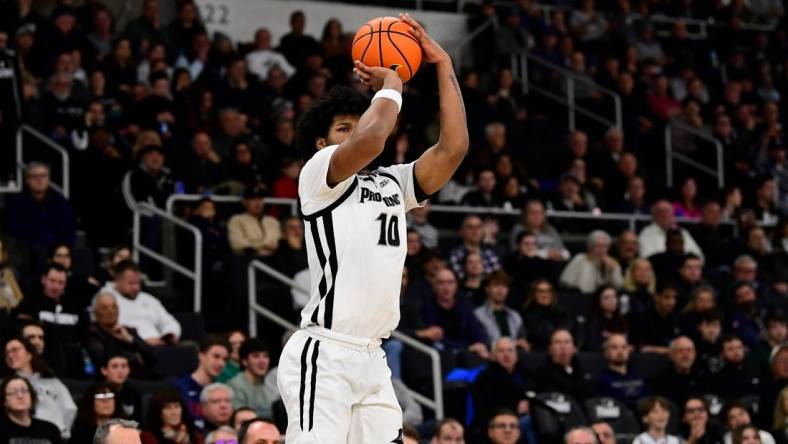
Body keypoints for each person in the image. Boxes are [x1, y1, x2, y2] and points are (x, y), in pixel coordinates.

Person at [4, 337, 77, 439]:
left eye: (15, 350)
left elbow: (69, 408)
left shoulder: (52, 382)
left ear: (29, 354)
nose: (10, 355)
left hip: (55, 435)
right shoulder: (4, 384)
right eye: (7, 352)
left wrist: (64, 430)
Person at [99, 260, 181, 345]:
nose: (136, 287)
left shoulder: (149, 299)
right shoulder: (105, 299)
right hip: (127, 346)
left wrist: (171, 334)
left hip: (159, 345)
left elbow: (168, 321)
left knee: (191, 347)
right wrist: (142, 342)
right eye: (131, 283)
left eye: (138, 283)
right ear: (117, 280)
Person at [471, 338, 536, 443]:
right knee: (531, 421)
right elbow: (484, 409)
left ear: (516, 354)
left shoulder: (525, 373)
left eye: (510, 350)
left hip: (522, 417)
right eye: (501, 351)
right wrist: (515, 408)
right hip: (496, 423)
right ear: (493, 356)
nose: (506, 354)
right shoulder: (485, 378)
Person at [85, 292, 158, 379]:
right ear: (96, 313)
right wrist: (135, 356)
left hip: (138, 377)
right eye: (104, 308)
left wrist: (129, 339)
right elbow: (102, 358)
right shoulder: (91, 332)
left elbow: (153, 356)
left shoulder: (128, 331)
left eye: (114, 307)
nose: (110, 311)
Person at [5, 162, 76, 251]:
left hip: (53, 254)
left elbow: (67, 233)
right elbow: (12, 233)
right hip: (23, 254)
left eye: (43, 176)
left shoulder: (60, 202)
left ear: (48, 179)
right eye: (34, 176)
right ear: (27, 180)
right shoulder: (15, 203)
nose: (39, 180)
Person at [422, 268, 489, 356]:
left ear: (456, 285)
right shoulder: (427, 308)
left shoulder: (465, 306)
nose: (446, 287)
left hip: (467, 355)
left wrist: (480, 344)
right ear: (434, 286)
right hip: (444, 356)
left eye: (450, 282)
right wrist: (467, 348)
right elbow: (438, 342)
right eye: (441, 282)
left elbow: (478, 332)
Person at [175, 335, 230, 429]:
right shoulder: (181, 387)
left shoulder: (221, 390)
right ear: (201, 356)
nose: (221, 363)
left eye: (224, 359)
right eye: (216, 356)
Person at [473, 271, 530, 351]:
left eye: (504, 286)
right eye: (496, 285)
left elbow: (522, 340)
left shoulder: (515, 316)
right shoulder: (478, 315)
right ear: (487, 289)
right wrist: (512, 344)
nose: (500, 290)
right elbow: (481, 343)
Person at [533, 329, 594, 401]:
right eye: (558, 342)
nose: (563, 346)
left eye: (567, 342)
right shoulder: (541, 374)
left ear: (574, 348)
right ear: (550, 349)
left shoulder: (585, 373)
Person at [0, 375, 63, 444]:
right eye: (13, 392)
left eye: (24, 391)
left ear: (31, 397)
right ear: (4, 401)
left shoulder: (50, 429)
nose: (20, 396)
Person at [227, 338, 279, 420]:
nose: (262, 361)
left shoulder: (264, 387)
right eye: (256, 356)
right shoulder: (235, 386)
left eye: (265, 356)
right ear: (244, 361)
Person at [638, 200, 704, 260]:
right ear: (654, 216)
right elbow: (645, 257)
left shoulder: (682, 232)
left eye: (668, 212)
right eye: (661, 212)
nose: (665, 215)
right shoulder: (646, 233)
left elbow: (699, 256)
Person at [651, 336, 706, 407]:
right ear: (671, 355)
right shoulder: (660, 380)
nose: (685, 355)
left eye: (689, 350)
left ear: (695, 354)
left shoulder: (702, 375)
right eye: (680, 351)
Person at [597, 334, 647, 410]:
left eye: (624, 347)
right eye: (614, 347)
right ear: (606, 352)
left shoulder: (639, 374)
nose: (620, 351)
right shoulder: (601, 379)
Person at [227, 187, 282, 257]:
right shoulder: (236, 220)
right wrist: (263, 246)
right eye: (253, 199)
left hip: (273, 259)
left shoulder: (273, 221)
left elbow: (280, 242)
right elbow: (237, 244)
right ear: (245, 202)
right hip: (248, 259)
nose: (258, 203)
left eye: (260, 199)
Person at [521, 279, 571, 350]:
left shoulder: (561, 312)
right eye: (541, 291)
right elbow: (537, 337)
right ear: (533, 294)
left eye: (548, 291)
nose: (545, 294)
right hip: (539, 352)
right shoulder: (527, 314)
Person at [448, 215, 501, 280]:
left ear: (482, 231)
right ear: (462, 231)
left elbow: (497, 278)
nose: (475, 230)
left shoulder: (490, 254)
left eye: (478, 227)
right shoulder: (455, 254)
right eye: (470, 227)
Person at [101, 353, 143, 423]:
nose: (120, 371)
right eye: (114, 366)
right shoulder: (96, 392)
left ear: (129, 370)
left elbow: (138, 422)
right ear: (104, 370)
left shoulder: (134, 392)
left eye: (124, 366)